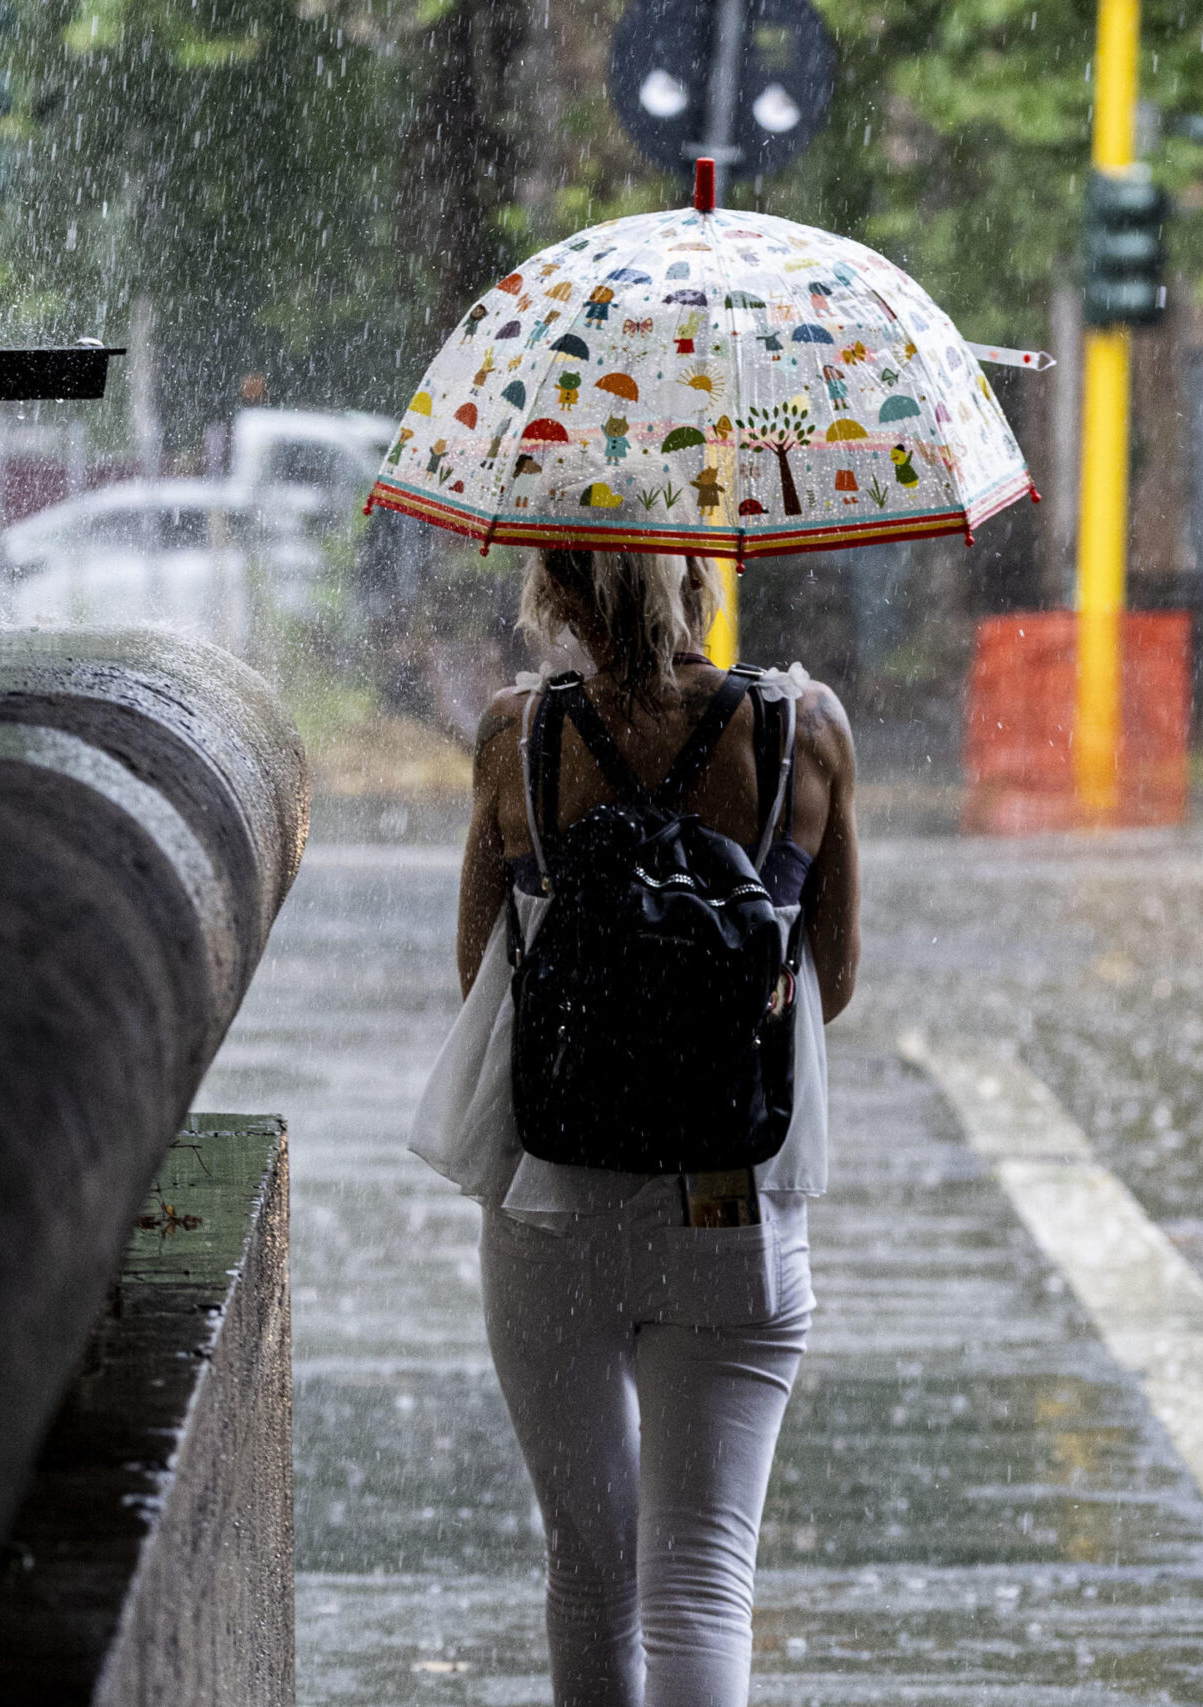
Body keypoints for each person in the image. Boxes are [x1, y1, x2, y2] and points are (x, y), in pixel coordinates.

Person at [411, 548, 859, 1707]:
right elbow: (838, 978)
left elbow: (479, 978)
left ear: (556, 597)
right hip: (735, 1207)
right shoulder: (804, 730)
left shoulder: (516, 738)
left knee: (591, 1574)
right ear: (704, 578)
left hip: (553, 1207)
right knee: (703, 1581)